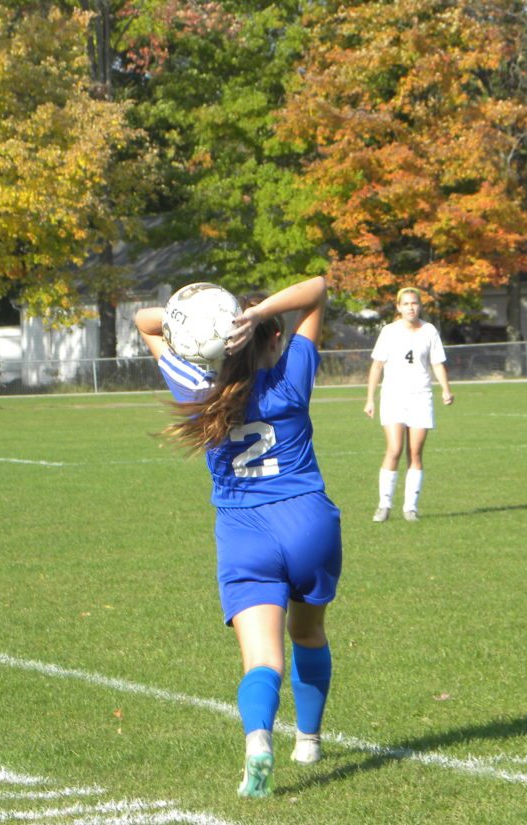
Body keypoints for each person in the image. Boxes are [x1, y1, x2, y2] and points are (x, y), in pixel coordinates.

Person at [135, 275, 341, 800]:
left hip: (244, 532)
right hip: (307, 520)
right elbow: (318, 289)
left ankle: (257, 742)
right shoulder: (291, 375)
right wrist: (254, 314)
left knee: (262, 660)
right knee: (308, 634)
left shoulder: (195, 389)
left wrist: (207, 325)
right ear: (273, 337)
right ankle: (309, 742)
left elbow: (146, 321)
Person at [363, 287, 454, 523]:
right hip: (393, 397)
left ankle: (410, 508)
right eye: (406, 304)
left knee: (415, 453)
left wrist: (445, 389)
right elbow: (377, 366)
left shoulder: (429, 331)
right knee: (394, 449)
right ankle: (384, 505)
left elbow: (437, 364)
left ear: (420, 306)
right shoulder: (389, 331)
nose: (410, 308)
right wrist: (370, 399)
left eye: (414, 303)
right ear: (398, 307)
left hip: (420, 397)